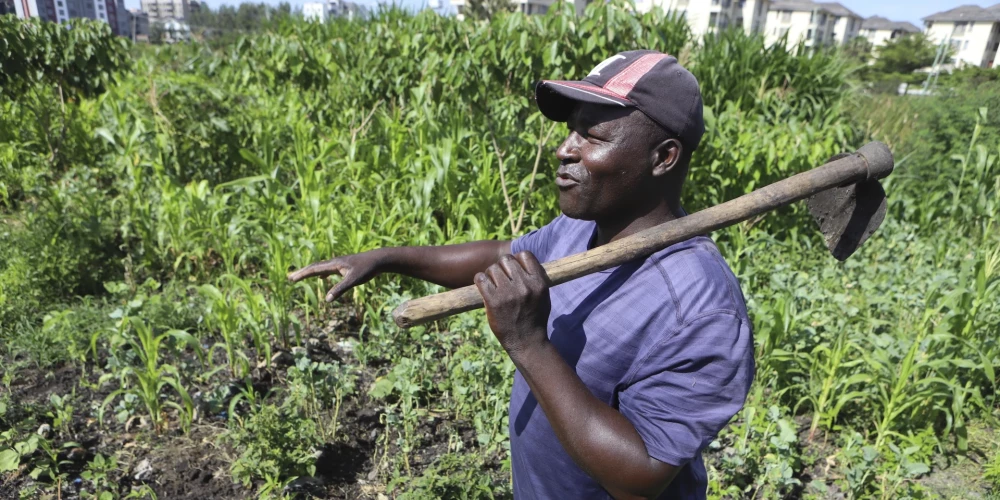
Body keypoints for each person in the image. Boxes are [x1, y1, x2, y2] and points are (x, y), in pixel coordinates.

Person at [288, 50, 755, 500]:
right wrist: (387, 258)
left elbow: (640, 478)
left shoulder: (699, 307)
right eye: (571, 130)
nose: (564, 149)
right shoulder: (584, 229)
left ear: (663, 157)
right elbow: (502, 255)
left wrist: (528, 343)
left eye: (591, 136)